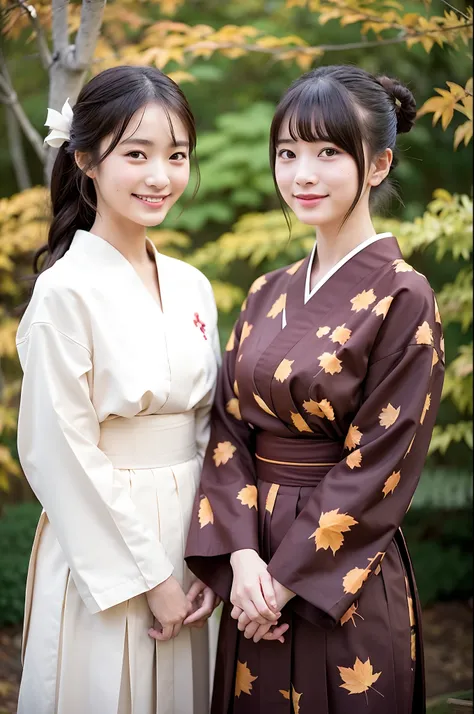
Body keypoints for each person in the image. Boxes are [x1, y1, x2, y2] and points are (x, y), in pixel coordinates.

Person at [185, 64, 445, 714]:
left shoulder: (403, 294)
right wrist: (243, 563)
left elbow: (383, 459)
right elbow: (228, 430)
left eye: (329, 152)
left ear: (379, 164)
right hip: (254, 573)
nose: (303, 173)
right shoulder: (265, 291)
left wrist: (284, 581)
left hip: (339, 574)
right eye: (288, 153)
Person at [16, 65, 220, 714]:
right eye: (137, 154)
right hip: (106, 537)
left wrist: (220, 549)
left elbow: (216, 426)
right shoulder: (64, 291)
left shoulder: (193, 285)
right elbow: (60, 449)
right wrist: (150, 576)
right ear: (86, 160)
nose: (160, 176)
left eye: (177, 155)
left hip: (193, 528)